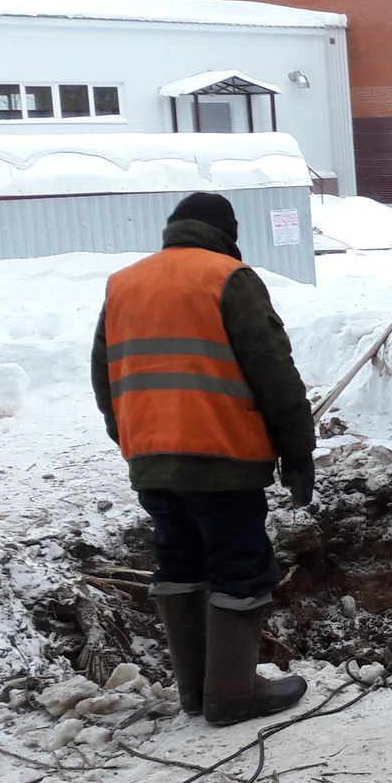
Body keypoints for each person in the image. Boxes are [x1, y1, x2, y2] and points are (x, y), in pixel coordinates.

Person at [90, 192, 314, 727]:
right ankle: (232, 694)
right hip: (221, 457)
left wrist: (133, 442)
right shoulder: (229, 278)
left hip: (151, 457)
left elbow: (104, 375)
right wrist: (297, 450)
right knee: (239, 565)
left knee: (179, 561)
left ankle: (196, 691)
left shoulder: (123, 283)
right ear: (227, 234)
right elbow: (272, 370)